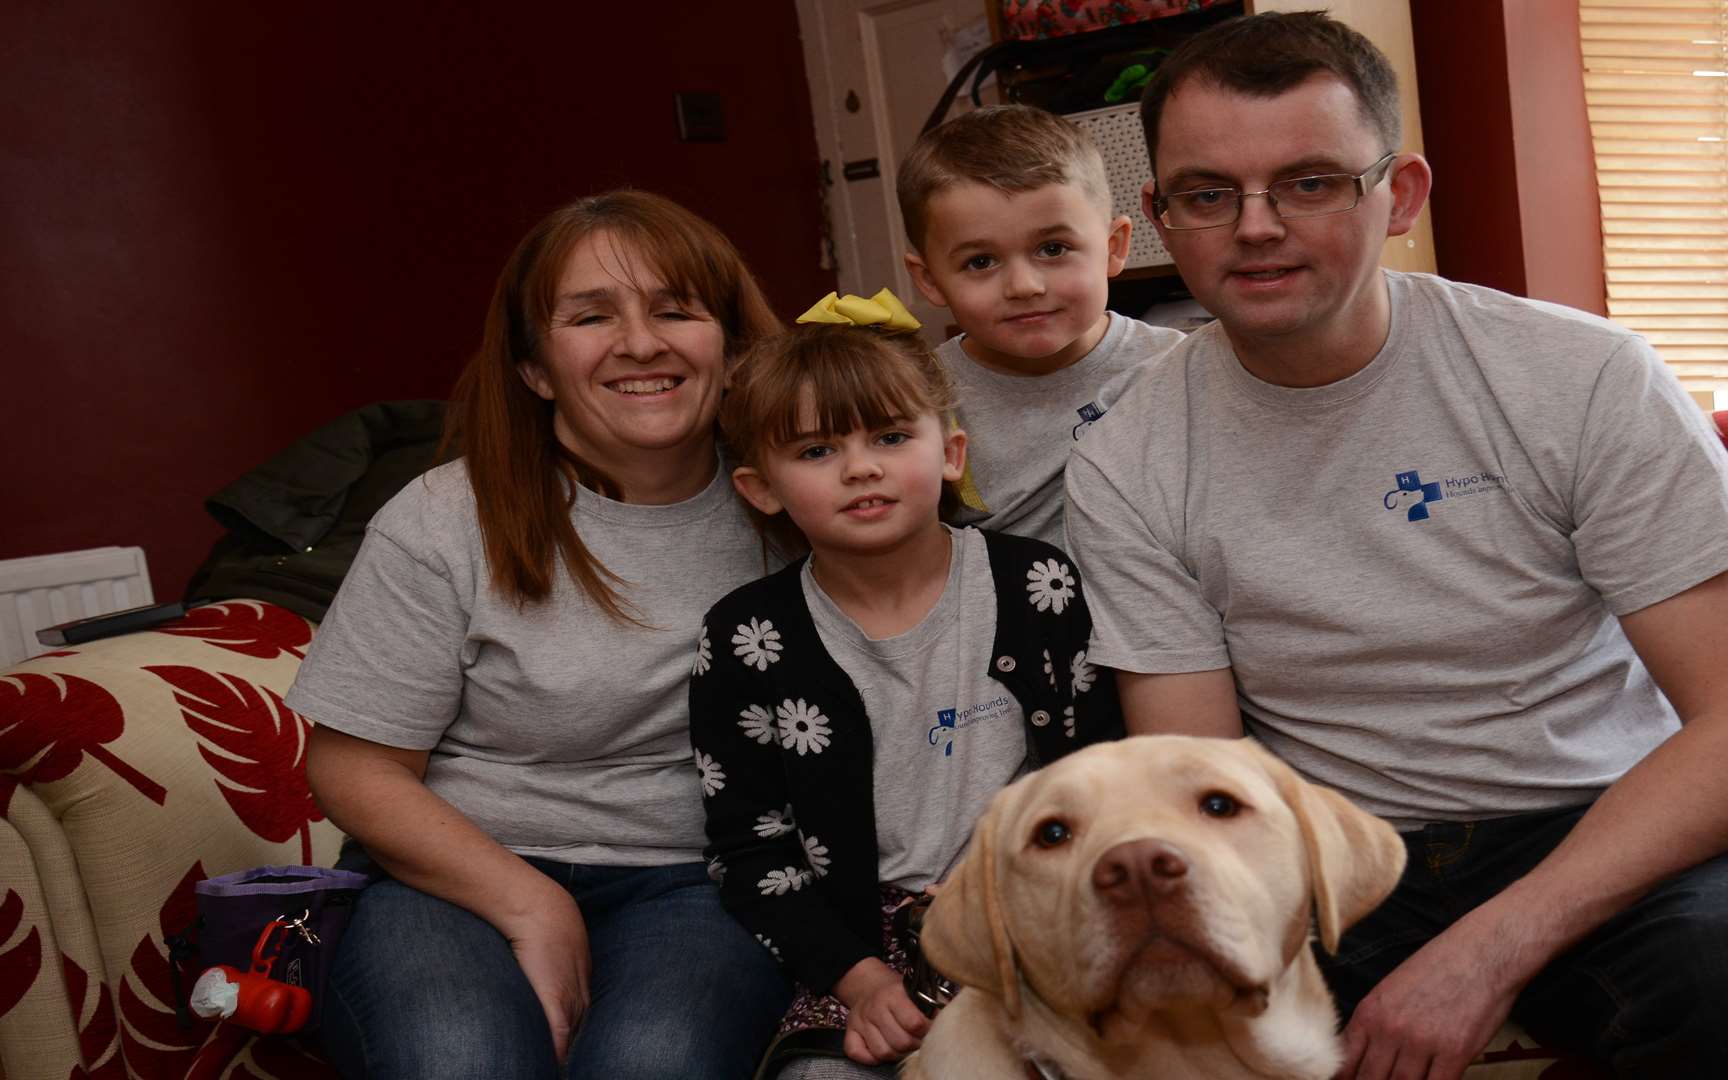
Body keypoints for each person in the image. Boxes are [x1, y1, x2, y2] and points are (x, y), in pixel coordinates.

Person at [1063, 12, 1728, 1079]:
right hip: (1330, 851)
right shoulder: (1128, 453)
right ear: (1161, 216)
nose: (1256, 226)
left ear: (1400, 195)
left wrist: (1482, 953)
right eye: (1208, 193)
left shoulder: (1580, 377)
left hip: (1607, 818)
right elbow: (1203, 775)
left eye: (1311, 182)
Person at [288, 190, 794, 1079]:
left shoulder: (800, 502)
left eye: (677, 309)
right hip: (452, 875)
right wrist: (530, 904)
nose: (641, 343)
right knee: (460, 1062)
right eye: (591, 316)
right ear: (534, 367)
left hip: (701, 880)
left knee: (652, 1064)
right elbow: (353, 765)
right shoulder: (444, 519)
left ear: (733, 342)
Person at [692, 302, 1120, 1078]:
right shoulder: (746, 638)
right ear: (761, 489)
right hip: (864, 953)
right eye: (818, 450)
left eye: (891, 437)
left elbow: (1101, 772)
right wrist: (860, 981)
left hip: (1036, 922)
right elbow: (751, 851)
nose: (862, 467)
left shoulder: (1036, 586)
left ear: (951, 451)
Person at [896, 104, 1184, 549]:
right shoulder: (915, 396)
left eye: (1053, 248)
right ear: (929, 279)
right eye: (980, 261)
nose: (1024, 286)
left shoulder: (1178, 367)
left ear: (1114, 247)